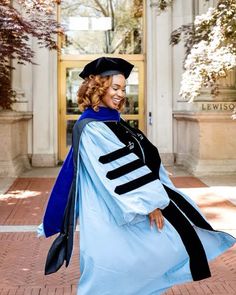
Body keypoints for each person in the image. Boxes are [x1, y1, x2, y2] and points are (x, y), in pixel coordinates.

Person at [38, 57, 236, 295]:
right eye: (115, 88)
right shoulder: (93, 128)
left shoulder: (116, 122)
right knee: (116, 268)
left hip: (129, 205)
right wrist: (151, 202)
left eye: (124, 88)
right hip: (112, 209)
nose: (121, 94)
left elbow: (139, 160)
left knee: (146, 260)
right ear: (98, 88)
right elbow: (116, 170)